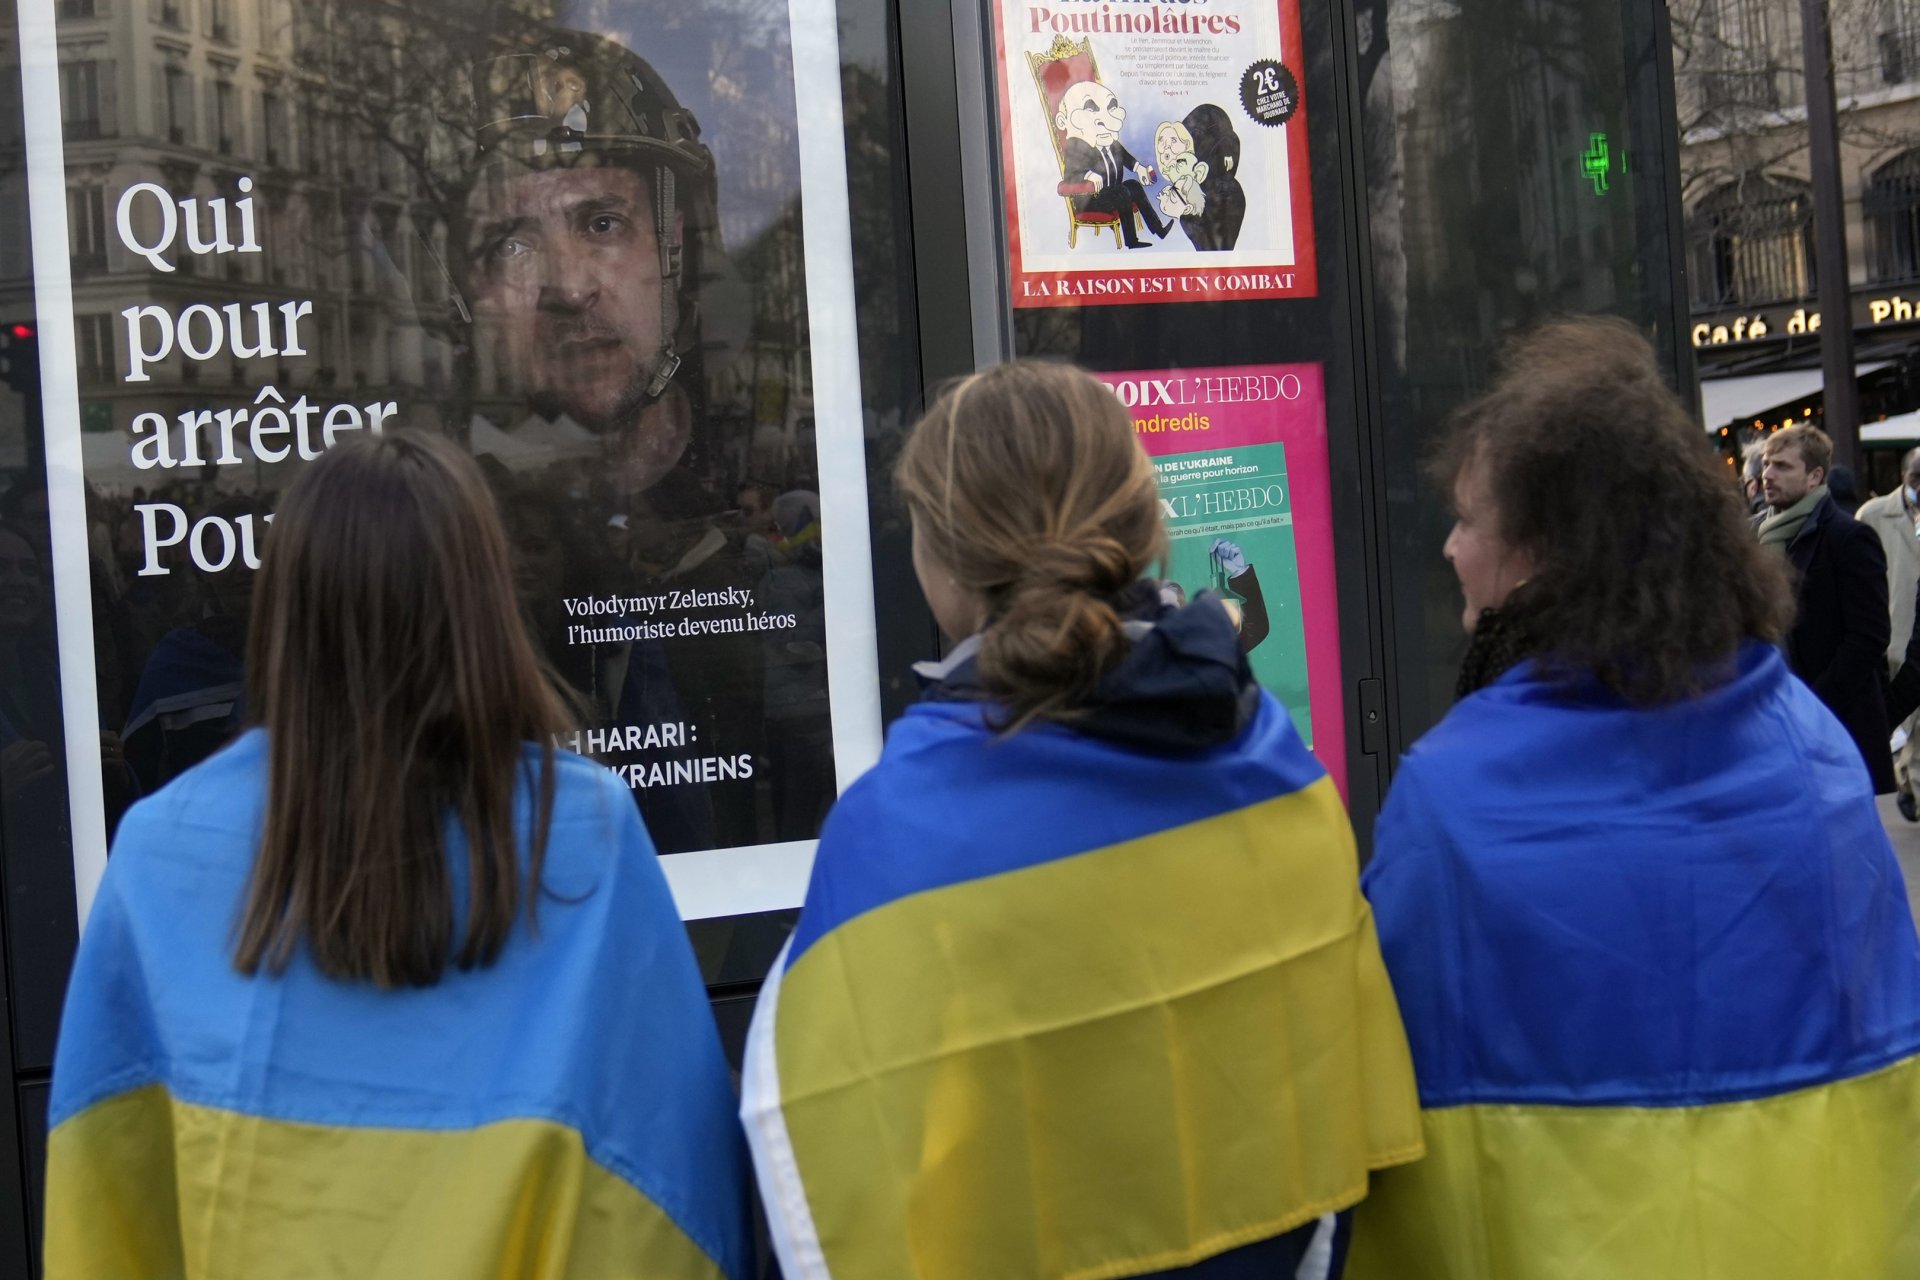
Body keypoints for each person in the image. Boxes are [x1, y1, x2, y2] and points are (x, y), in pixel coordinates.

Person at [741, 360, 1423, 1280]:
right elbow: (1345, 1132)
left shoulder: (888, 833)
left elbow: (812, 1178)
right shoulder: (1277, 771)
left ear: (941, 565)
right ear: (1147, 529)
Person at [43, 433, 749, 1280]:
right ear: (481, 598)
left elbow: (106, 1195)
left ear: (285, 605)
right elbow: (669, 1174)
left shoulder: (161, 849)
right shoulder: (582, 823)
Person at [1345, 319, 1920, 1279]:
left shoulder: (1454, 794)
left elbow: (1380, 1097)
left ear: (1543, 555)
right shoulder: (1812, 752)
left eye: (1469, 519)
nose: (1449, 548)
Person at [1759, 423, 1895, 791]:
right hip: (1769, 719)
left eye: (1782, 466)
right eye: (1767, 464)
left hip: (1834, 721)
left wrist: (1816, 702)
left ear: (1814, 476)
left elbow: (1869, 636)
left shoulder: (1848, 537)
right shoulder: (1754, 535)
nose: (1767, 475)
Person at [1859, 445, 1920, 819]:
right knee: (1903, 725)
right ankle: (1905, 776)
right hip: (1895, 641)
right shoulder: (1874, 515)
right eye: (1916, 478)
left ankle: (1910, 780)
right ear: (1903, 476)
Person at [1056, 80, 1170, 249]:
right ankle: (1131, 241)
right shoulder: (1078, 148)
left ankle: (1158, 229)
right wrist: (1087, 175)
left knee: (1133, 185)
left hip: (1112, 193)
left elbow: (1128, 159)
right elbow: (1069, 177)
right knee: (1122, 191)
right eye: (1091, 109)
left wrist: (1140, 169)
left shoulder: (1112, 143)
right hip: (1090, 199)